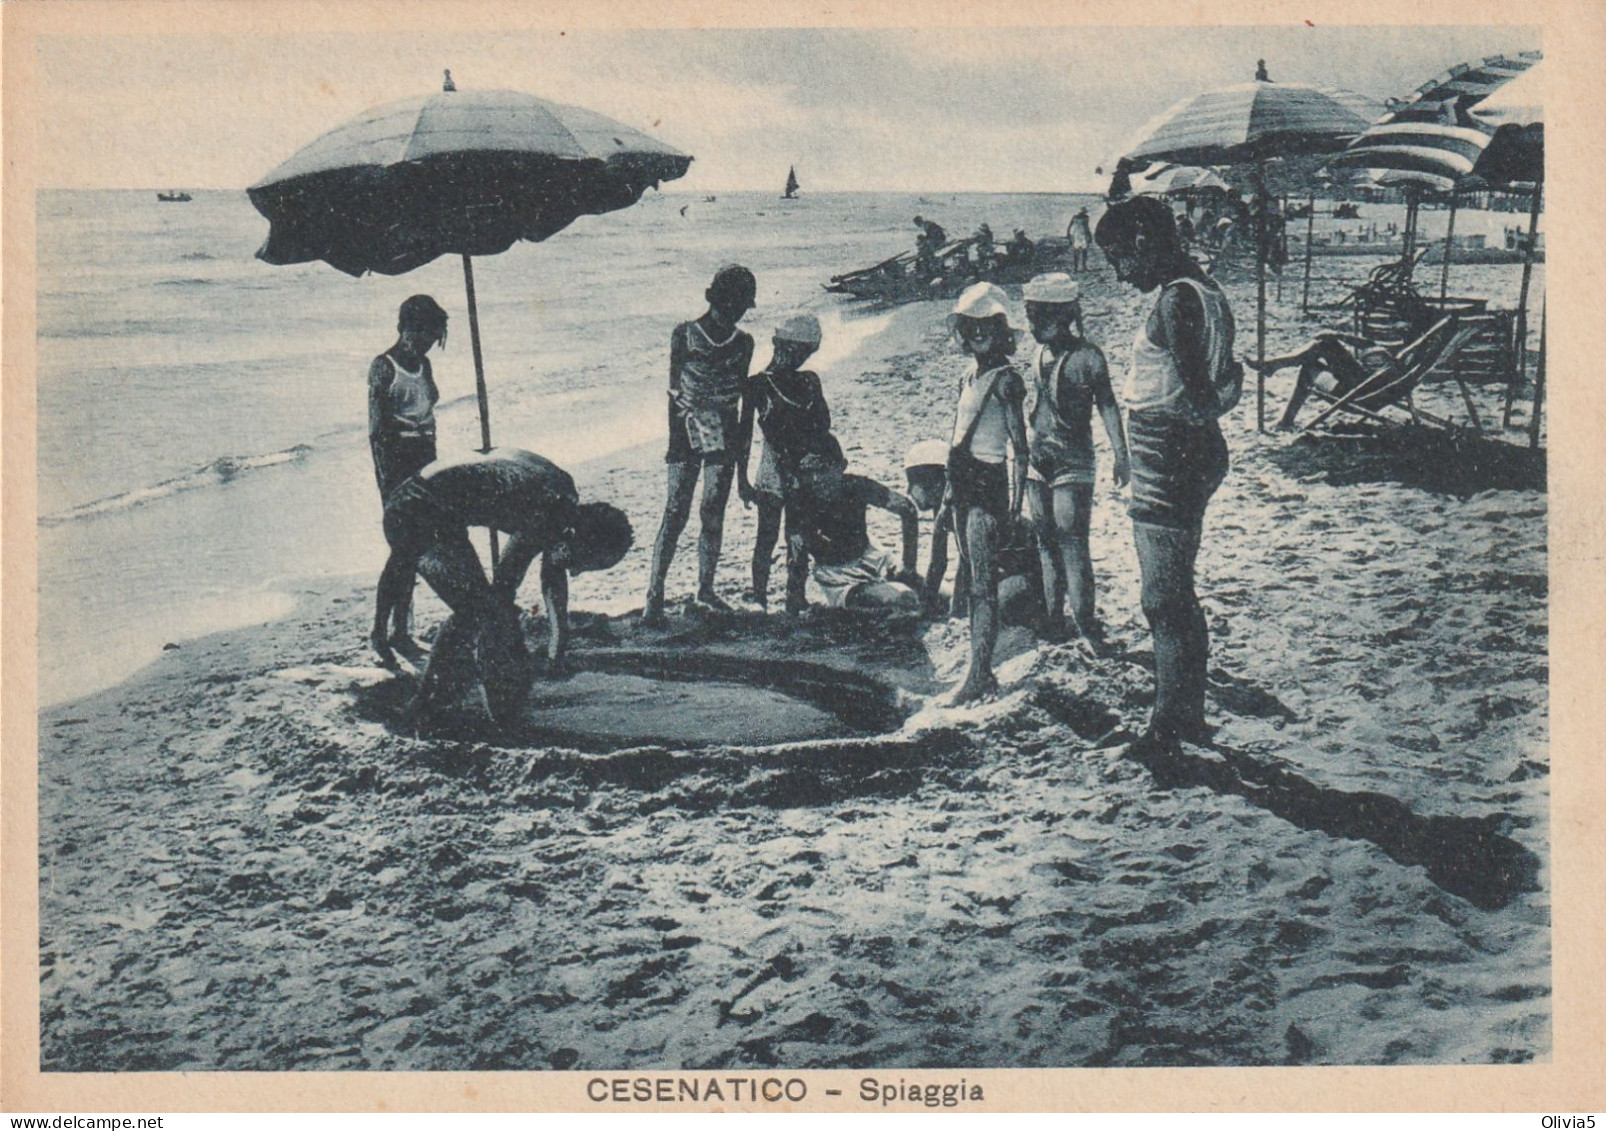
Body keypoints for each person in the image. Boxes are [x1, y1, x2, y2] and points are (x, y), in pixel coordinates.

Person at [1094, 196, 1238, 753]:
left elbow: (1202, 399)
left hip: (1169, 455)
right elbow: (1222, 383)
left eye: (1118, 259)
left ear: (1142, 244)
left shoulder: (1177, 301)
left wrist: (1223, 396)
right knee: (1176, 595)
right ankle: (1187, 717)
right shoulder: (1207, 293)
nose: (1118, 272)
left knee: (1163, 599)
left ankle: (1167, 729)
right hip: (1187, 454)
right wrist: (1231, 389)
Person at [374, 448, 633, 728]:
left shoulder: (564, 499)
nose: (578, 571)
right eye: (583, 562)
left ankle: (480, 694)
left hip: (433, 502)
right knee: (477, 610)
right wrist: (509, 659)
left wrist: (558, 644)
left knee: (488, 611)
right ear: (575, 538)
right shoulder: (545, 514)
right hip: (415, 510)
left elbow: (553, 570)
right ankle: (426, 705)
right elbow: (504, 586)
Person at [642, 265, 757, 625]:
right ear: (720, 301)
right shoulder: (685, 334)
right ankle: (654, 594)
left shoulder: (744, 342)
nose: (737, 312)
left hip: (723, 427)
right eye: (734, 304)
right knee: (675, 510)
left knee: (712, 511)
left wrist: (740, 467)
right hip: (686, 425)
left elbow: (737, 399)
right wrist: (683, 432)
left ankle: (705, 589)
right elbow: (674, 391)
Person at [1021, 273, 1130, 647]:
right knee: (1046, 542)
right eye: (1031, 317)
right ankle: (1054, 619)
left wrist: (1121, 453)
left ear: (1065, 315)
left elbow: (1108, 405)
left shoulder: (1087, 358)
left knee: (1072, 544)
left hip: (1073, 462)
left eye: (1041, 318)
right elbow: (1036, 409)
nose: (1035, 326)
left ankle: (1085, 623)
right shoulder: (1038, 355)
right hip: (1040, 460)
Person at [944, 282, 1029, 703]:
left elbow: (1020, 448)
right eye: (971, 327)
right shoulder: (969, 376)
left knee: (982, 583)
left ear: (1001, 331)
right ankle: (977, 665)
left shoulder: (1006, 381)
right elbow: (956, 433)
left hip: (988, 482)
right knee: (968, 574)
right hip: (961, 478)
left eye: (987, 328)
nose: (978, 335)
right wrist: (946, 491)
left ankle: (980, 673)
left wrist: (1013, 506)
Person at [368, 294, 449, 665]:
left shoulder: (425, 365)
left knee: (413, 552)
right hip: (397, 463)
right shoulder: (383, 367)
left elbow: (428, 411)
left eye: (431, 339)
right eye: (422, 337)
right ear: (406, 330)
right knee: (402, 552)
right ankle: (382, 631)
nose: (426, 345)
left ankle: (401, 629)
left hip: (426, 458)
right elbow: (377, 432)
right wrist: (388, 485)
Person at [737, 314, 833, 609]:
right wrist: (742, 479)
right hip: (773, 469)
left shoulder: (809, 381)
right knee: (767, 534)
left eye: (805, 352)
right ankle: (759, 596)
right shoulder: (756, 386)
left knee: (798, 533)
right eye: (795, 350)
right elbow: (743, 436)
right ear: (779, 345)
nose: (799, 358)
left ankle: (795, 594)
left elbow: (824, 425)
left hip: (801, 467)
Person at [904, 440, 1044, 629]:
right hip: (1003, 571)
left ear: (934, 483)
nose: (909, 491)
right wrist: (931, 608)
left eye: (913, 483)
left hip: (1031, 575)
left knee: (992, 607)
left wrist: (951, 612)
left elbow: (963, 564)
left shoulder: (969, 509)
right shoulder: (946, 511)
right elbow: (940, 563)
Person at [785, 438, 921, 613]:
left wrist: (909, 566)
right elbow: (797, 555)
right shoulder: (801, 501)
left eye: (824, 469)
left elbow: (907, 508)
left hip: (873, 558)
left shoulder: (856, 486)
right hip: (837, 577)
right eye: (808, 471)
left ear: (842, 466)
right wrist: (796, 601)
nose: (816, 478)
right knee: (903, 598)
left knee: (938, 593)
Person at [1247, 332, 1404, 430]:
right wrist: (1338, 335)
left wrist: (1335, 337)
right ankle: (1286, 420)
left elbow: (1382, 373)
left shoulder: (1396, 359)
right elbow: (1369, 343)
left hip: (1360, 390)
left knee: (1325, 345)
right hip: (1362, 384)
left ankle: (1273, 365)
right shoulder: (1402, 355)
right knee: (1310, 366)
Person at [1066, 207, 1093, 272]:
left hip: (1076, 234)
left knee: (1076, 251)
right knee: (1084, 251)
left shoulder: (1074, 217)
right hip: (1082, 234)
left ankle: (1076, 268)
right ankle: (1083, 266)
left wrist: (1068, 234)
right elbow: (1087, 228)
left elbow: (1069, 226)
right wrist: (1090, 236)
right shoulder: (1086, 218)